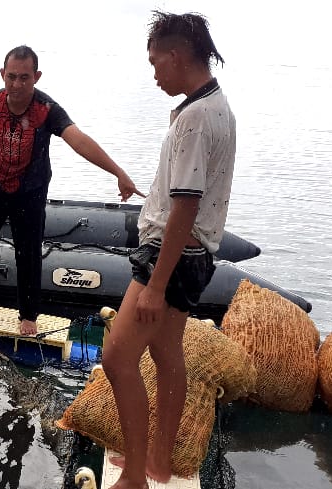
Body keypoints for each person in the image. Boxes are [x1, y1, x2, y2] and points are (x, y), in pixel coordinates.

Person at [102, 12, 234, 489]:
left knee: (117, 359)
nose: (155, 73)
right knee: (165, 351)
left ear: (176, 57)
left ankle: (136, 477)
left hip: (172, 257)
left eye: (156, 62)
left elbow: (185, 205)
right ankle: (158, 460)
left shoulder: (196, 119)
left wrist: (155, 285)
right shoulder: (214, 105)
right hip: (194, 256)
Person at [0, 45, 143, 335]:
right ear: (2, 74)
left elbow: (79, 141)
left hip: (31, 190)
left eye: (24, 77)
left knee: (28, 251)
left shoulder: (47, 110)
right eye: (11, 77)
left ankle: (28, 314)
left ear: (36, 76)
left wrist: (118, 172)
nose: (17, 84)